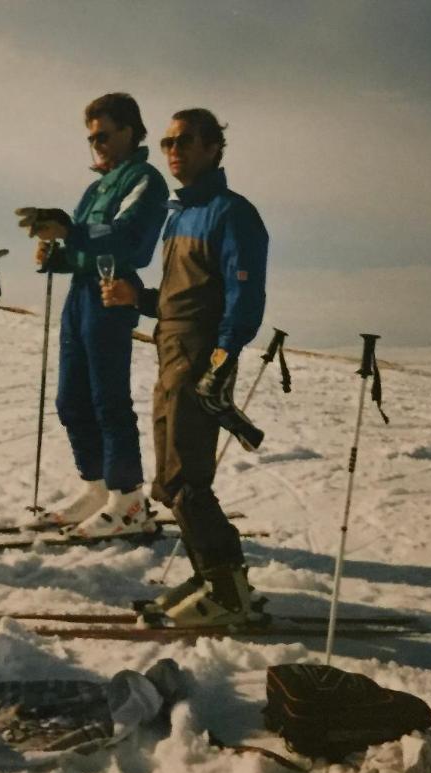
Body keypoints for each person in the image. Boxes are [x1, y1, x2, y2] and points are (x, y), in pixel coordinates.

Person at [102, 108, 269, 626]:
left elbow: (243, 301)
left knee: (188, 478)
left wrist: (219, 363)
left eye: (188, 140)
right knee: (172, 482)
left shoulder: (231, 213)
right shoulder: (179, 216)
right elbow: (181, 298)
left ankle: (228, 590)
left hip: (199, 357)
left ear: (214, 147)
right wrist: (139, 297)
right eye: (169, 141)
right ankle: (210, 576)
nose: (175, 149)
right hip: (170, 351)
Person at [15, 92, 168, 537]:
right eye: (91, 138)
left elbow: (129, 238)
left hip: (111, 293)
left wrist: (72, 231)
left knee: (107, 399)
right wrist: (55, 254)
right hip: (81, 293)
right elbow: (83, 245)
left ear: (129, 130)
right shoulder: (96, 186)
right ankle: (98, 489)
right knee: (71, 399)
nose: (97, 144)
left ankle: (129, 499)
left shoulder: (144, 179)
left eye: (104, 135)